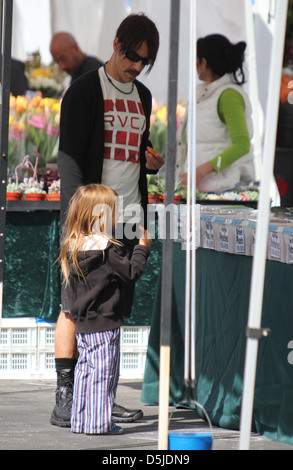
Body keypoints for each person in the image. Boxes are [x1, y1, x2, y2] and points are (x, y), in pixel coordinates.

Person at [50, 13, 164, 428]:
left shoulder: (144, 96)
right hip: (90, 217)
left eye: (144, 61)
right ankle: (67, 393)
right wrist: (80, 221)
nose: (136, 65)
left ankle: (99, 392)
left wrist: (150, 160)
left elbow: (133, 147)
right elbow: (69, 159)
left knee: (112, 310)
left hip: (130, 215)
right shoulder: (83, 91)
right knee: (74, 306)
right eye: (132, 55)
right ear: (116, 44)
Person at [59, 184, 152, 434]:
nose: (119, 216)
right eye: (114, 211)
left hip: (83, 323)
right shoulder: (106, 249)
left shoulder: (73, 245)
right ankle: (99, 424)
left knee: (85, 372)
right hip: (105, 323)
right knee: (104, 374)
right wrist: (143, 247)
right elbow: (131, 272)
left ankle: (81, 420)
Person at [176, 34, 254, 193]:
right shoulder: (205, 93)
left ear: (203, 62)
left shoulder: (228, 95)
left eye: (196, 60)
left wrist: (201, 171)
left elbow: (242, 144)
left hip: (224, 191)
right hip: (205, 190)